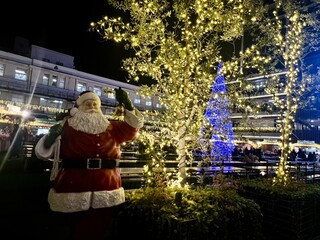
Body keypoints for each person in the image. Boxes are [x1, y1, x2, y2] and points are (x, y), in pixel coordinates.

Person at [35, 89, 144, 240]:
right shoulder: (66, 126)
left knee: (101, 223)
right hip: (74, 184)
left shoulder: (112, 128)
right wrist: (50, 138)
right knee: (75, 224)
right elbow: (43, 153)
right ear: (78, 108)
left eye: (95, 104)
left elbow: (132, 128)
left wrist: (128, 105)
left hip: (107, 184)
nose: (92, 107)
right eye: (87, 104)